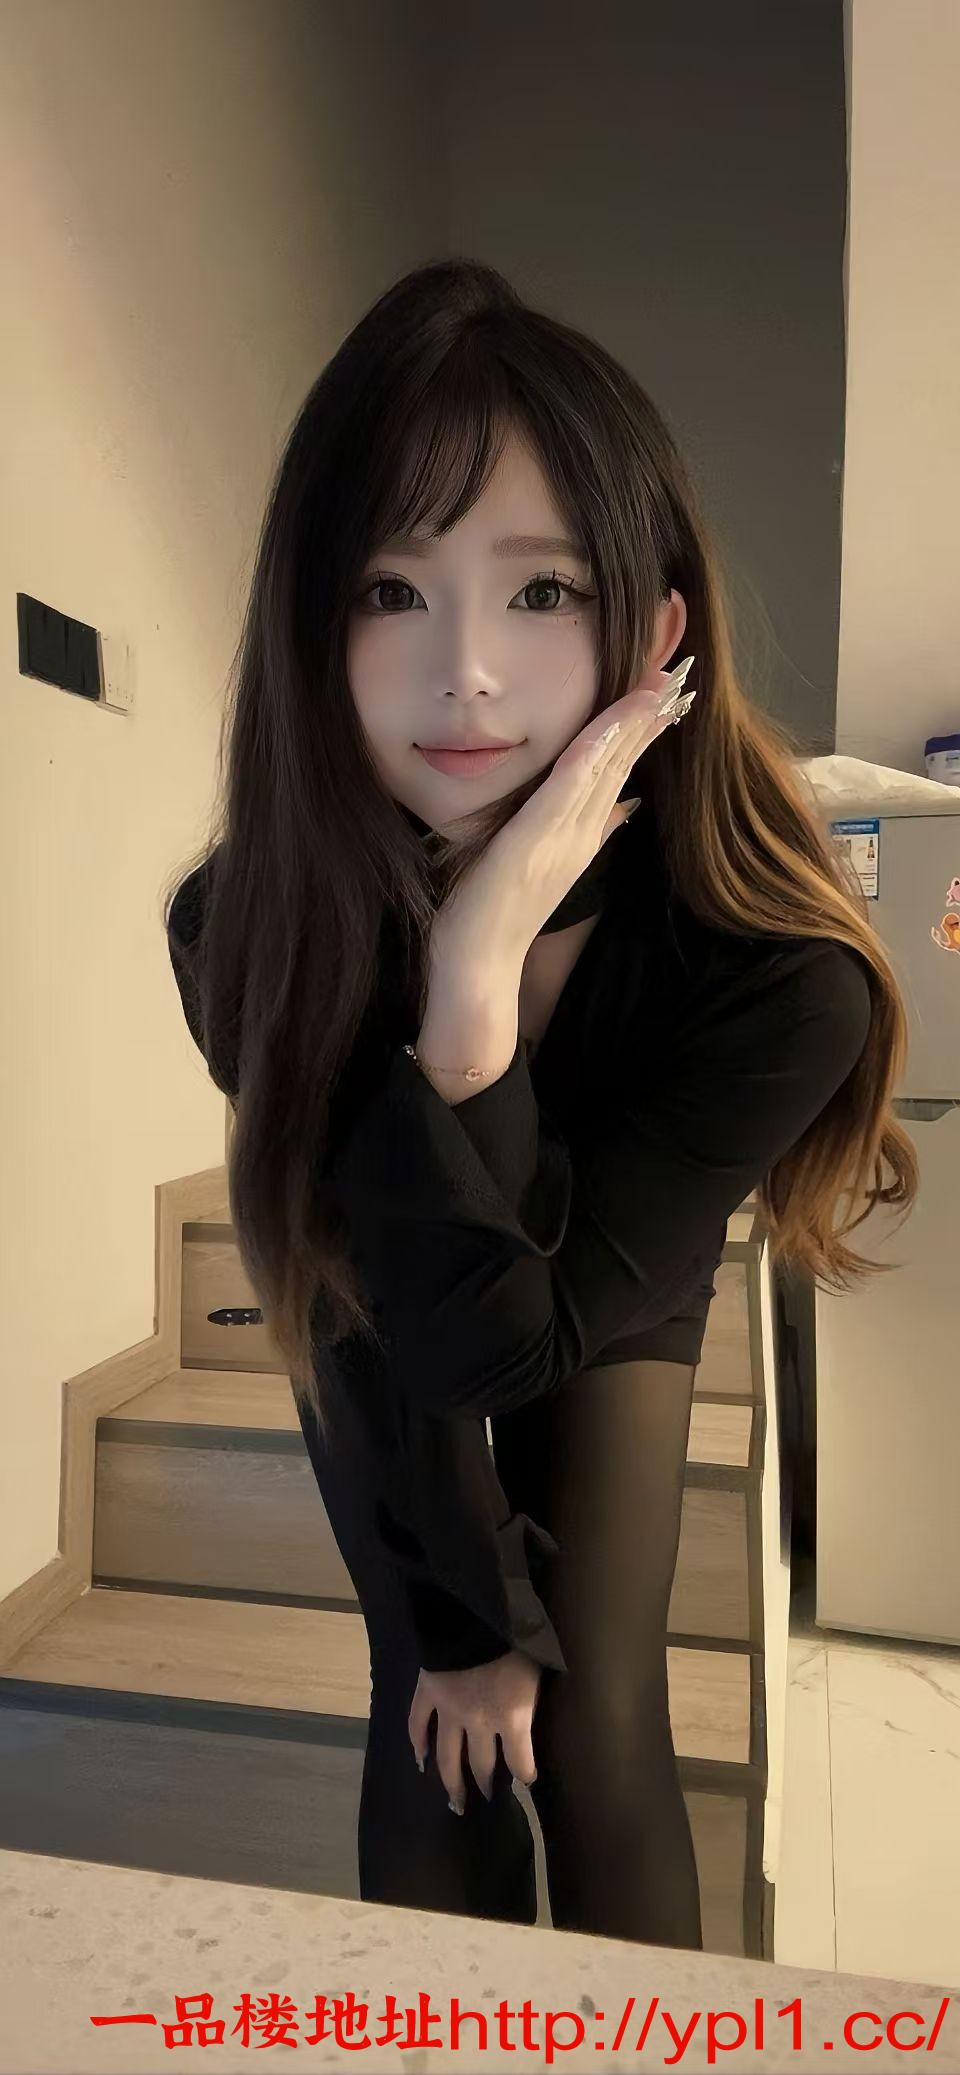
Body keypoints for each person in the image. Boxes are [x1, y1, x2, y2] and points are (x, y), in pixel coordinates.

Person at [164, 257, 918, 1950]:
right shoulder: (251, 926)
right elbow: (388, 1318)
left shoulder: (770, 970)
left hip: (608, 1273)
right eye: (389, 589)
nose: (468, 677)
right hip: (383, 1295)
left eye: (541, 590)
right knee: (436, 1704)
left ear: (653, 633)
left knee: (594, 1715)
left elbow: (522, 1345)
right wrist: (456, 1619)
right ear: (307, 625)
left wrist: (476, 987)